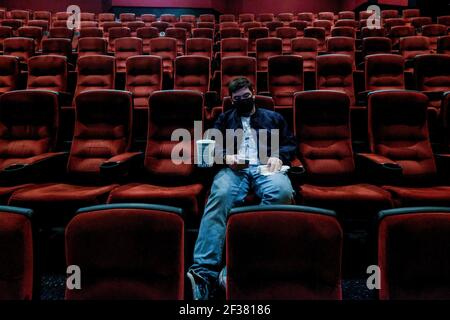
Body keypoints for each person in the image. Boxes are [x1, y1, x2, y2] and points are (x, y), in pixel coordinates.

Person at [187, 77, 297, 300]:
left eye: (246, 96)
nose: (243, 101)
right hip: (235, 169)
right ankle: (203, 272)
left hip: (266, 167)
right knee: (220, 197)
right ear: (231, 100)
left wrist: (278, 156)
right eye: (237, 99)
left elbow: (290, 143)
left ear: (254, 93)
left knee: (282, 193)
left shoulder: (273, 117)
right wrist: (226, 157)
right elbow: (212, 148)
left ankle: (246, 261)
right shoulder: (224, 119)